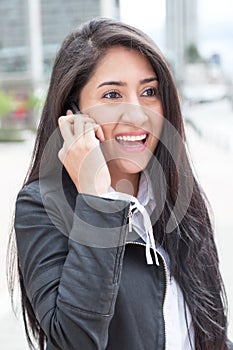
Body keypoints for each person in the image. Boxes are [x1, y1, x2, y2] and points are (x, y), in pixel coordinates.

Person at [11, 17, 232, 350]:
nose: (138, 114)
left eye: (149, 92)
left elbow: (206, 330)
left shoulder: (174, 197)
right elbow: (76, 341)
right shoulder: (42, 206)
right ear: (73, 113)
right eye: (113, 94)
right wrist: (97, 200)